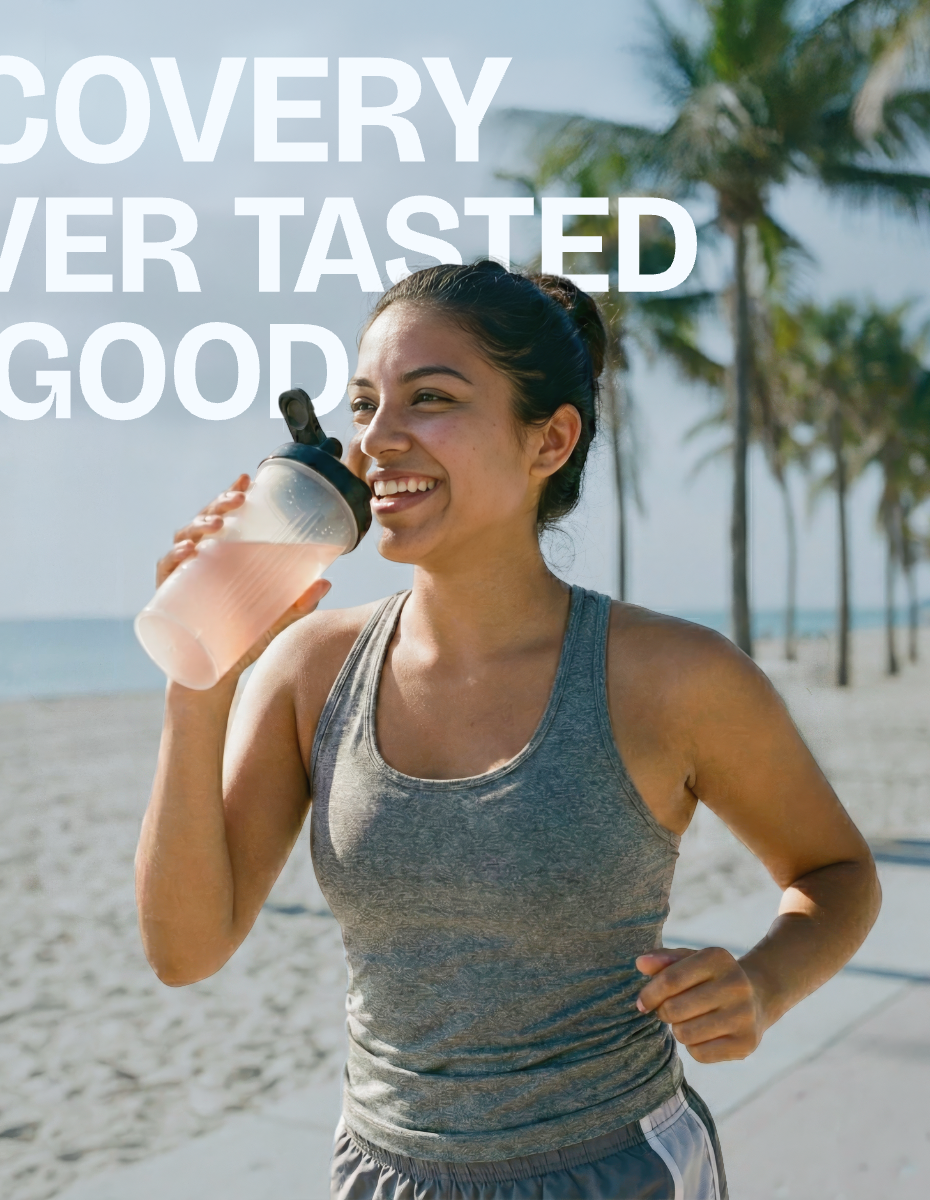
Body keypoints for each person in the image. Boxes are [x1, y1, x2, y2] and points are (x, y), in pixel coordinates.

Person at [135, 262, 880, 1199]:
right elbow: (184, 950)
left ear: (550, 440)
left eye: (431, 399)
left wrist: (765, 982)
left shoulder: (674, 677)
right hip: (381, 1172)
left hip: (616, 1173)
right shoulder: (310, 670)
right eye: (364, 404)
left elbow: (837, 874)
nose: (377, 438)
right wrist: (195, 683)